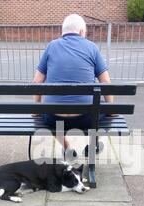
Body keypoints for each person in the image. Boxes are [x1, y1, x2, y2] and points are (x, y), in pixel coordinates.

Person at [32, 13, 114, 158]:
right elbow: (106, 83)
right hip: (87, 117)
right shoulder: (92, 48)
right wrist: (111, 110)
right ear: (82, 31)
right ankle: (93, 144)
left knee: (49, 112)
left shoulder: (51, 46)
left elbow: (37, 81)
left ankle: (67, 148)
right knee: (105, 111)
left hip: (54, 117)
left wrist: (36, 109)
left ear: (63, 32)